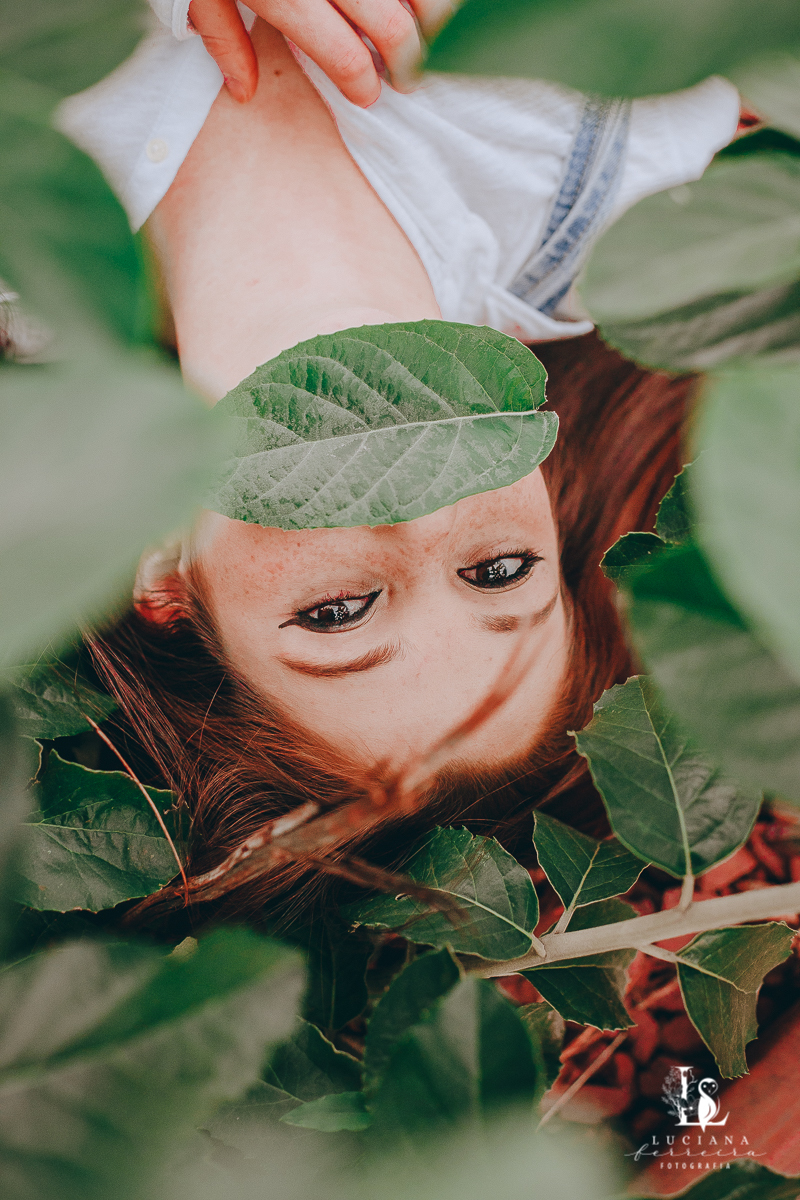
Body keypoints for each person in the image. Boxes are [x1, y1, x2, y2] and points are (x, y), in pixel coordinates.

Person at [63, 10, 737, 924]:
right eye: (499, 571)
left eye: (337, 612)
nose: (424, 514)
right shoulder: (623, 190)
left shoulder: (31, 255)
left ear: (166, 567)